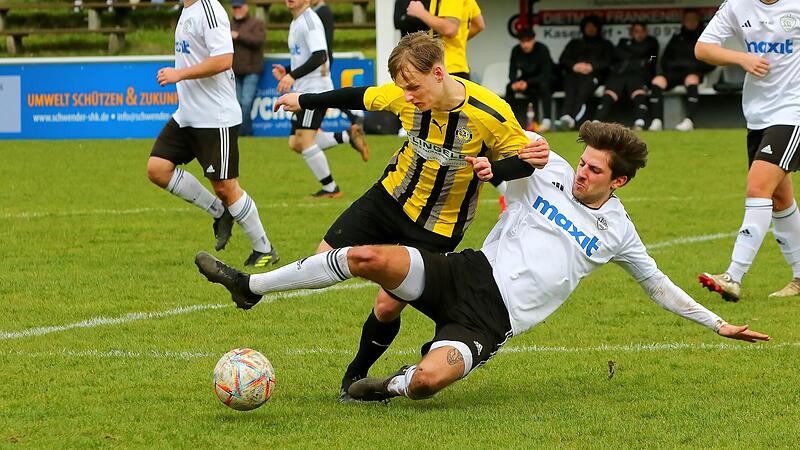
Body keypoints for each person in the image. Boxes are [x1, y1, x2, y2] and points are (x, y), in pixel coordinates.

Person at [195, 121, 770, 402]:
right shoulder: (546, 168)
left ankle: (386, 385)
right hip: (464, 272)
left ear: (617, 181)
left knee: (427, 383)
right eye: (583, 162)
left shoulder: (619, 232)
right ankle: (251, 285)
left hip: (491, 321)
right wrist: (511, 149)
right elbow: (499, 132)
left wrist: (717, 324)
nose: (582, 173)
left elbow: (657, 285)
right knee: (367, 258)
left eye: (595, 170)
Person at [272, 32, 550, 401]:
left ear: (438, 73)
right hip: (390, 197)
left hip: (439, 224)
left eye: (413, 87)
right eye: (402, 89)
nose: (407, 97)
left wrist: (495, 170)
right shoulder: (406, 97)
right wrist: (304, 100)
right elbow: (359, 96)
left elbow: (529, 160)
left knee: (386, 305)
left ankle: (354, 378)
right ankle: (255, 287)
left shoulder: (490, 112)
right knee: (322, 260)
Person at [147, 0, 278, 268]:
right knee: (157, 169)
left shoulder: (210, 8)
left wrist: (179, 74)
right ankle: (219, 212)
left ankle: (264, 248)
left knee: (226, 187)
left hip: (215, 117)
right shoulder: (188, 9)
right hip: (187, 114)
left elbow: (223, 60)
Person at [695, 0, 800, 300]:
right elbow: (702, 48)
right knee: (779, 199)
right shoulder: (737, 5)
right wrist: (741, 58)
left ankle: (733, 276)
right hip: (757, 116)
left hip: (793, 113)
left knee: (758, 188)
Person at [272, 0, 341, 198]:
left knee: (305, 140)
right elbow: (305, 56)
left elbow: (320, 56)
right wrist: (288, 70)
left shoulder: (310, 21)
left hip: (314, 91)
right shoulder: (297, 21)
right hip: (303, 89)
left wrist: (292, 76)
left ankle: (331, 189)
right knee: (295, 142)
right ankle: (347, 136)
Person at [309, 0, 370, 162]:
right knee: (300, 139)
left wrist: (324, 60)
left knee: (302, 139)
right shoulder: (316, 12)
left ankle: (352, 123)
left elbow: (326, 40)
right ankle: (351, 127)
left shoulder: (322, 12)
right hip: (320, 62)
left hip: (321, 63)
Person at [648, 9, 714, 132]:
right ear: (683, 21)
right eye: (688, 19)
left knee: (691, 79)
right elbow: (664, 60)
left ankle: (689, 120)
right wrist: (672, 67)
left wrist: (697, 69)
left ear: (698, 21)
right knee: (657, 81)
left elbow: (712, 60)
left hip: (693, 72)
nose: (691, 22)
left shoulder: (704, 38)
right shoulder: (677, 38)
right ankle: (657, 121)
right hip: (674, 73)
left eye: (693, 19)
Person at [594, 22, 659, 130]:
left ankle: (640, 122)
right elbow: (616, 56)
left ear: (646, 32)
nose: (639, 34)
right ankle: (596, 122)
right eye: (636, 31)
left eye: (642, 31)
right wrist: (638, 60)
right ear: (631, 33)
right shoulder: (623, 42)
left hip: (640, 75)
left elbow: (652, 58)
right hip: (621, 75)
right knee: (610, 91)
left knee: (637, 90)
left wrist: (639, 61)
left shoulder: (652, 43)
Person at [555, 15, 614, 130]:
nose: (590, 29)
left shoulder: (605, 44)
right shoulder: (574, 43)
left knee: (582, 92)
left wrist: (592, 67)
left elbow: (609, 62)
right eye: (587, 27)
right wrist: (574, 66)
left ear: (598, 28)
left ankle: (573, 120)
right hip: (574, 75)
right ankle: (565, 117)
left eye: (593, 27)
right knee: (570, 91)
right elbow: (563, 60)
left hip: (594, 76)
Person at [406, 0, 482, 80]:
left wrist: (420, 12)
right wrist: (459, 39)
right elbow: (478, 25)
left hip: (446, 68)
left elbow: (450, 29)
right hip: (457, 67)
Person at [506, 29, 554, 132]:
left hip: (541, 80)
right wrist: (514, 83)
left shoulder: (542, 49)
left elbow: (546, 74)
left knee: (544, 86)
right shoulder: (516, 50)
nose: (525, 45)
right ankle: (509, 120)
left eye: (528, 41)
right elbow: (512, 71)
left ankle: (546, 121)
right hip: (525, 81)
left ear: (533, 40)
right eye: (522, 42)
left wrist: (527, 83)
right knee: (509, 87)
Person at [231, 0, 265, 137]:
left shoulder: (256, 23)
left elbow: (258, 40)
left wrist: (238, 36)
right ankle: (245, 133)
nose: (237, 10)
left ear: (246, 7)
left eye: (239, 7)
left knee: (245, 103)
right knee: (237, 104)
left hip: (251, 70)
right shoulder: (229, 24)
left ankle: (244, 133)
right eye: (234, 7)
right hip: (234, 71)